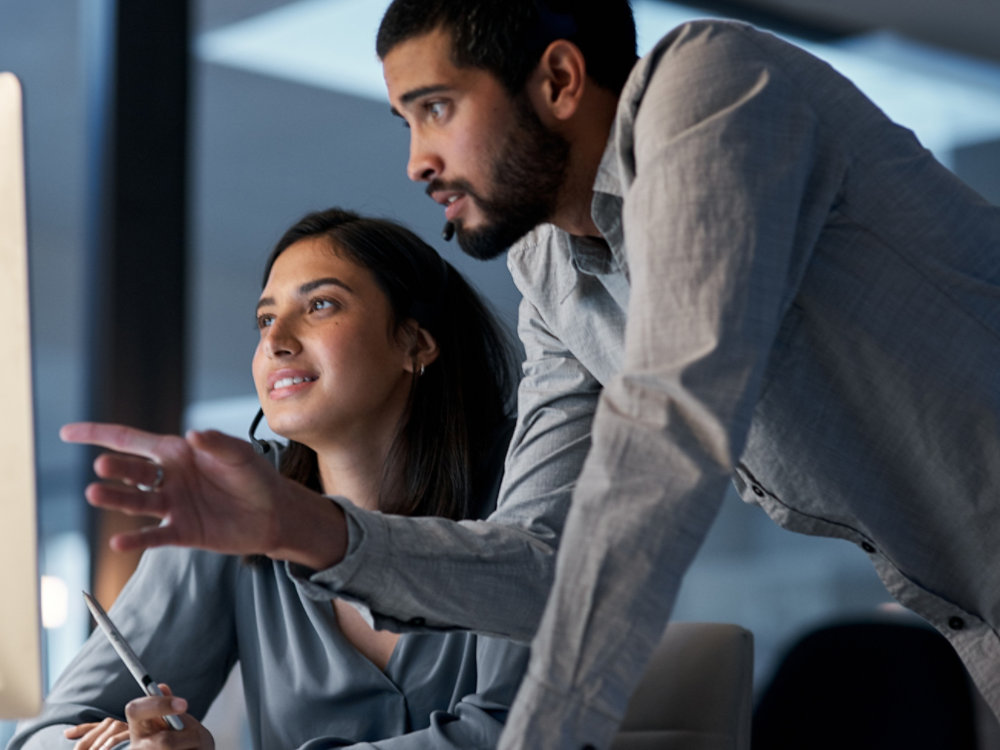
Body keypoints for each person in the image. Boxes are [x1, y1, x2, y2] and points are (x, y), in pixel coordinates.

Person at [48, 3, 1000, 749]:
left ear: (556, 78)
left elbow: (667, 441)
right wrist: (296, 526)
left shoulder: (715, 89)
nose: (416, 160)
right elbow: (546, 566)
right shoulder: (550, 273)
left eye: (435, 108)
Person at [8, 207, 528, 749]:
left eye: (321, 305)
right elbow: (41, 737)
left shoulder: (525, 487)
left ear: (416, 342)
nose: (276, 339)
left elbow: (511, 734)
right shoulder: (230, 506)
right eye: (264, 319)